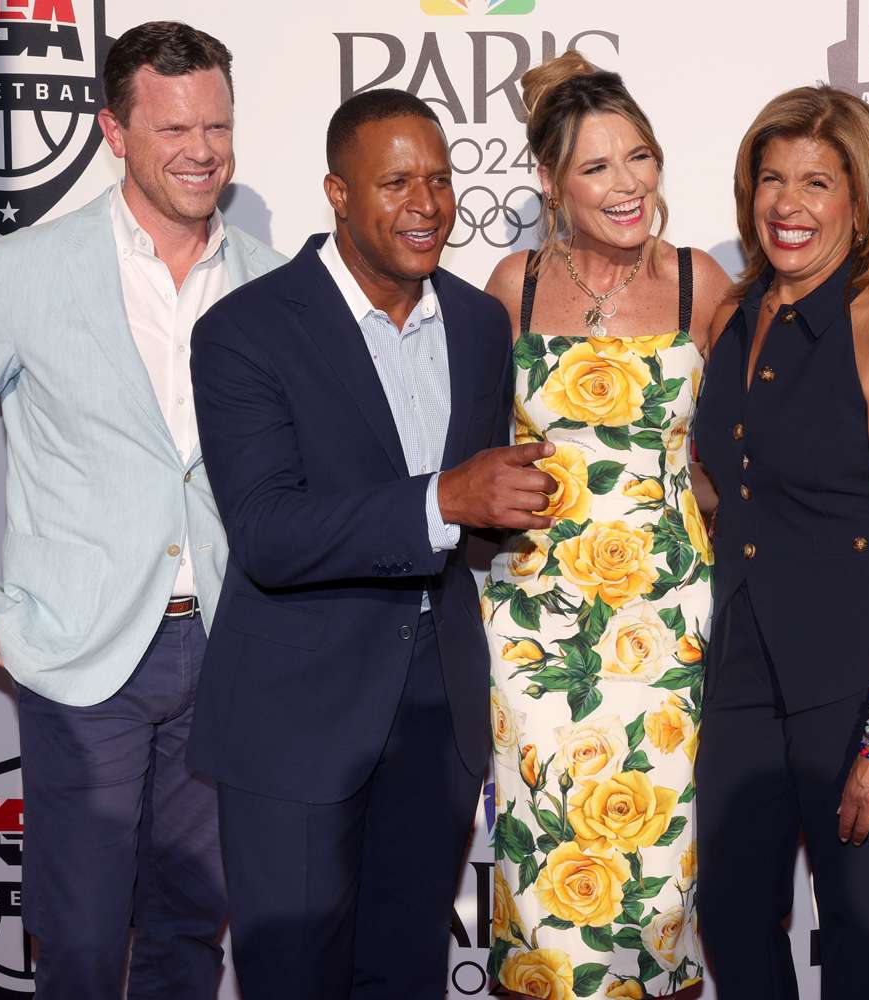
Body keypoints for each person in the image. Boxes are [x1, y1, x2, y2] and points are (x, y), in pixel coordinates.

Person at [0, 22, 283, 998]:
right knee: (82, 934)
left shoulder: (270, 280)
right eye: (174, 128)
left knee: (193, 923)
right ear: (112, 130)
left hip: (228, 646)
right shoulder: (29, 272)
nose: (202, 150)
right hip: (84, 652)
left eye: (218, 126)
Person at [185, 88, 554, 1000]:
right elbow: (268, 533)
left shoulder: (475, 323)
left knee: (407, 972)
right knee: (294, 979)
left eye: (439, 179)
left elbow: (476, 522)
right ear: (337, 193)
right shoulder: (245, 331)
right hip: (296, 721)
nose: (426, 205)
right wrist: (446, 497)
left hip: (438, 715)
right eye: (395, 183)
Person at [476, 51, 730, 1000]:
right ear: (550, 181)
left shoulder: (704, 283)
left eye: (640, 159)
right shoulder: (516, 286)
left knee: (654, 870)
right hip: (538, 624)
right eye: (596, 167)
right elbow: (478, 452)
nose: (627, 186)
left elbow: (744, 446)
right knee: (543, 864)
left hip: (666, 625)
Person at [691, 85, 869, 999]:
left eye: (814, 183)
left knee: (863, 938)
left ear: (860, 200)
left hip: (853, 688)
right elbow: (725, 482)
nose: (786, 206)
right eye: (770, 179)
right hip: (741, 676)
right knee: (728, 913)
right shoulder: (733, 315)